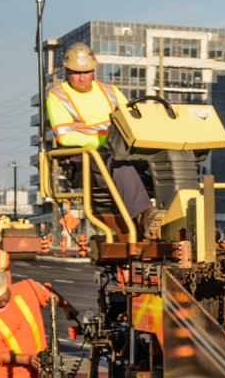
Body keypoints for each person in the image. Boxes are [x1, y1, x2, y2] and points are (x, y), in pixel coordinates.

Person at [46, 42, 161, 237]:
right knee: (119, 163)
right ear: (67, 71)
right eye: (76, 72)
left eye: (87, 71)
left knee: (160, 161)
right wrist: (106, 142)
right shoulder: (58, 96)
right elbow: (65, 136)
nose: (82, 77)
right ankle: (144, 216)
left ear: (94, 69)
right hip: (83, 156)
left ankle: (179, 214)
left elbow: (132, 122)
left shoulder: (111, 91)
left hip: (117, 151)